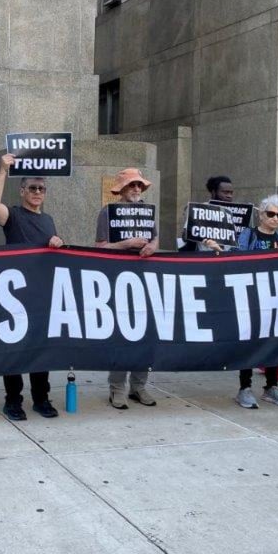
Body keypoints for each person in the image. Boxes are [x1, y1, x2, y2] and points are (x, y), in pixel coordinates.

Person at [0, 155, 64, 420]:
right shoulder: (13, 215)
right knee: (16, 352)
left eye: (41, 188)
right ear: (22, 191)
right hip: (15, 297)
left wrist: (58, 242)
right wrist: (2, 170)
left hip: (41, 295)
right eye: (32, 188)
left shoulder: (50, 220)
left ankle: (41, 398)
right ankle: (13, 401)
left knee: (40, 350)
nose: (37, 192)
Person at [95, 168, 158, 409]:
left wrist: (152, 246)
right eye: (132, 185)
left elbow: (155, 238)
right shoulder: (107, 213)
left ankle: (139, 386)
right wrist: (125, 244)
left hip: (145, 279)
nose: (136, 189)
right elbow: (99, 247)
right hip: (118, 279)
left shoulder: (148, 212)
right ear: (121, 189)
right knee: (122, 336)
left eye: (139, 186)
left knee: (146, 334)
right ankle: (117, 389)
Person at [232, 194, 278, 409]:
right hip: (252, 296)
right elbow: (237, 258)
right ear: (261, 214)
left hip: (277, 298)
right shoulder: (248, 235)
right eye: (271, 214)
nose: (275, 218)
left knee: (274, 341)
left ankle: (271, 387)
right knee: (249, 341)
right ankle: (244, 388)